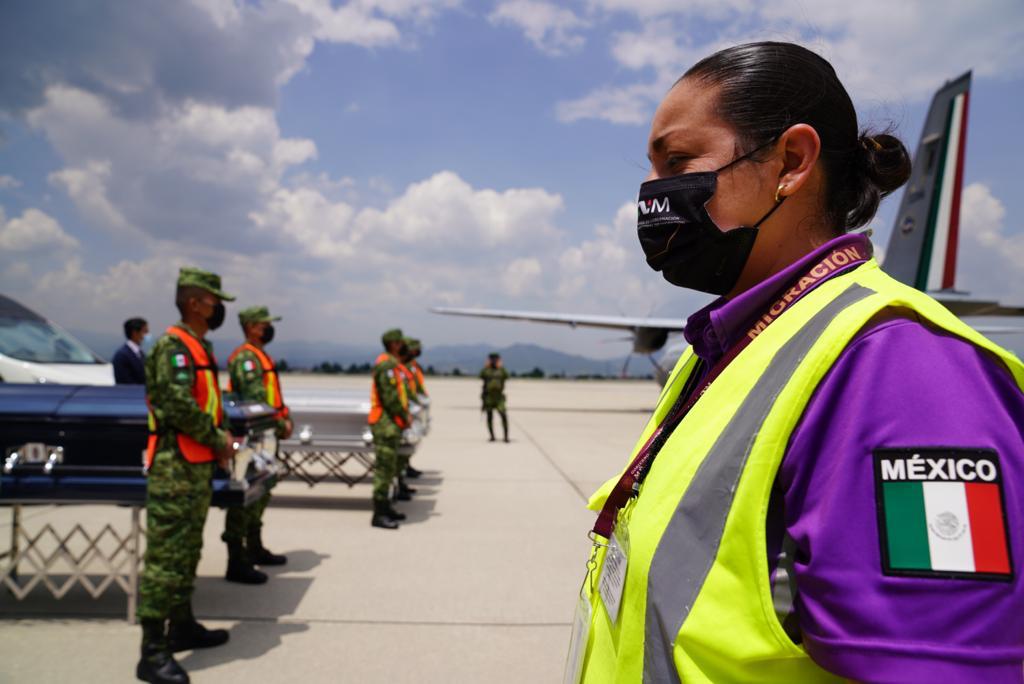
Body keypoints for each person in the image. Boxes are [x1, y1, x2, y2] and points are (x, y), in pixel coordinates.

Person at [574, 42, 1024, 683]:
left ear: (790, 161)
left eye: (678, 161)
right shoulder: (728, 350)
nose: (652, 193)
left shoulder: (903, 371)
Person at [137, 267, 236, 684]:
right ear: (195, 302)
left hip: (194, 467)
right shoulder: (173, 348)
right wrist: (217, 438)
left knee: (188, 552)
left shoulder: (198, 346)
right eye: (214, 302)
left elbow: (205, 401)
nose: (218, 309)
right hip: (175, 467)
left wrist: (218, 437)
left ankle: (181, 625)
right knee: (165, 560)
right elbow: (176, 405)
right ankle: (151, 652)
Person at [222, 306, 292, 584]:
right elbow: (257, 400)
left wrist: (285, 418)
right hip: (254, 437)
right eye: (265, 324)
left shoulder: (260, 356)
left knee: (260, 494)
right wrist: (279, 421)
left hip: (266, 436)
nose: (269, 328)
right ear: (251, 326)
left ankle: (254, 547)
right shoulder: (247, 359)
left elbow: (272, 399)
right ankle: (236, 560)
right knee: (244, 498)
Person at [367, 328, 412, 529]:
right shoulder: (386, 365)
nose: (404, 345)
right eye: (400, 342)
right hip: (386, 424)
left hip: (391, 424)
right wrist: (404, 416)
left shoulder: (392, 364)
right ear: (394, 344)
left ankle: (386, 508)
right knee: (384, 470)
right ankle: (379, 514)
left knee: (390, 468)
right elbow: (390, 398)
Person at [404, 338, 428, 478]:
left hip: (412, 406)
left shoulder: (412, 365)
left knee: (410, 441)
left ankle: (406, 467)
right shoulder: (403, 366)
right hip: (406, 408)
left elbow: (416, 385)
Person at [479, 353, 509, 442]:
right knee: (489, 416)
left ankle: (506, 437)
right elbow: (480, 376)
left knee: (503, 415)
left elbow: (507, 376)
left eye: (495, 359)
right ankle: (492, 436)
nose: (494, 360)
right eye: (492, 359)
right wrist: (486, 367)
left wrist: (501, 367)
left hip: (499, 397)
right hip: (489, 397)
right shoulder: (486, 370)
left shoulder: (502, 370)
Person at [113, 317, 149, 384]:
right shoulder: (122, 356)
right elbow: (124, 383)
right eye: (145, 331)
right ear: (135, 333)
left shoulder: (140, 353)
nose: (147, 335)